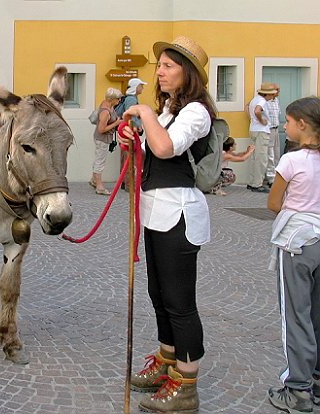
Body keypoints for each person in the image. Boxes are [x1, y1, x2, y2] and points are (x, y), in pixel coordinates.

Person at [118, 36, 216, 413]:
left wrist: (142, 115)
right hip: (156, 212)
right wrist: (133, 138)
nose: (159, 71)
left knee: (180, 303)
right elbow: (149, 148)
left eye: (168, 66)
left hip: (179, 214)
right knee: (159, 297)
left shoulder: (196, 112)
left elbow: (165, 148)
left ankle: (186, 384)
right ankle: (167, 362)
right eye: (159, 64)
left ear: (186, 73)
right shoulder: (168, 111)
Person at [266, 96, 320, 414]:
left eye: (288, 121)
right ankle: (315, 379)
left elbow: (274, 203)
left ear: (301, 124)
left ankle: (297, 388)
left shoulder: (291, 161)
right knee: (317, 312)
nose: (285, 126)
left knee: (296, 315)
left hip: (297, 243)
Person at [89, 87, 123, 196]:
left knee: (98, 158)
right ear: (112, 99)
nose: (119, 101)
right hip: (102, 139)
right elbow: (101, 129)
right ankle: (99, 186)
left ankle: (94, 180)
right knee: (100, 161)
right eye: (118, 99)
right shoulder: (106, 112)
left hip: (102, 138)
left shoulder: (108, 104)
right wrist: (116, 123)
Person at [247, 82, 277, 193]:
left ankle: (251, 182)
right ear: (267, 94)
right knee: (261, 158)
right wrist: (261, 120)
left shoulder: (254, 99)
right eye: (272, 94)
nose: (273, 96)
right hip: (261, 131)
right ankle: (257, 184)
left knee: (253, 157)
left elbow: (250, 109)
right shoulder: (262, 101)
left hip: (253, 129)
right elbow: (257, 111)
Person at [121, 78, 147, 190]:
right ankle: (129, 184)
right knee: (131, 156)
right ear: (136, 87)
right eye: (141, 86)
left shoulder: (130, 98)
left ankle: (125, 182)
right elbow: (130, 115)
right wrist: (137, 126)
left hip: (129, 130)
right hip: (131, 131)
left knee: (127, 156)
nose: (142, 88)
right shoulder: (131, 99)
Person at [265, 83, 281, 187]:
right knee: (270, 153)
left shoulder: (276, 101)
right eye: (277, 90)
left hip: (276, 128)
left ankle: (276, 175)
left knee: (276, 152)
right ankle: (271, 178)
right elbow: (249, 107)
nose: (278, 92)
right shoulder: (264, 102)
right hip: (269, 129)